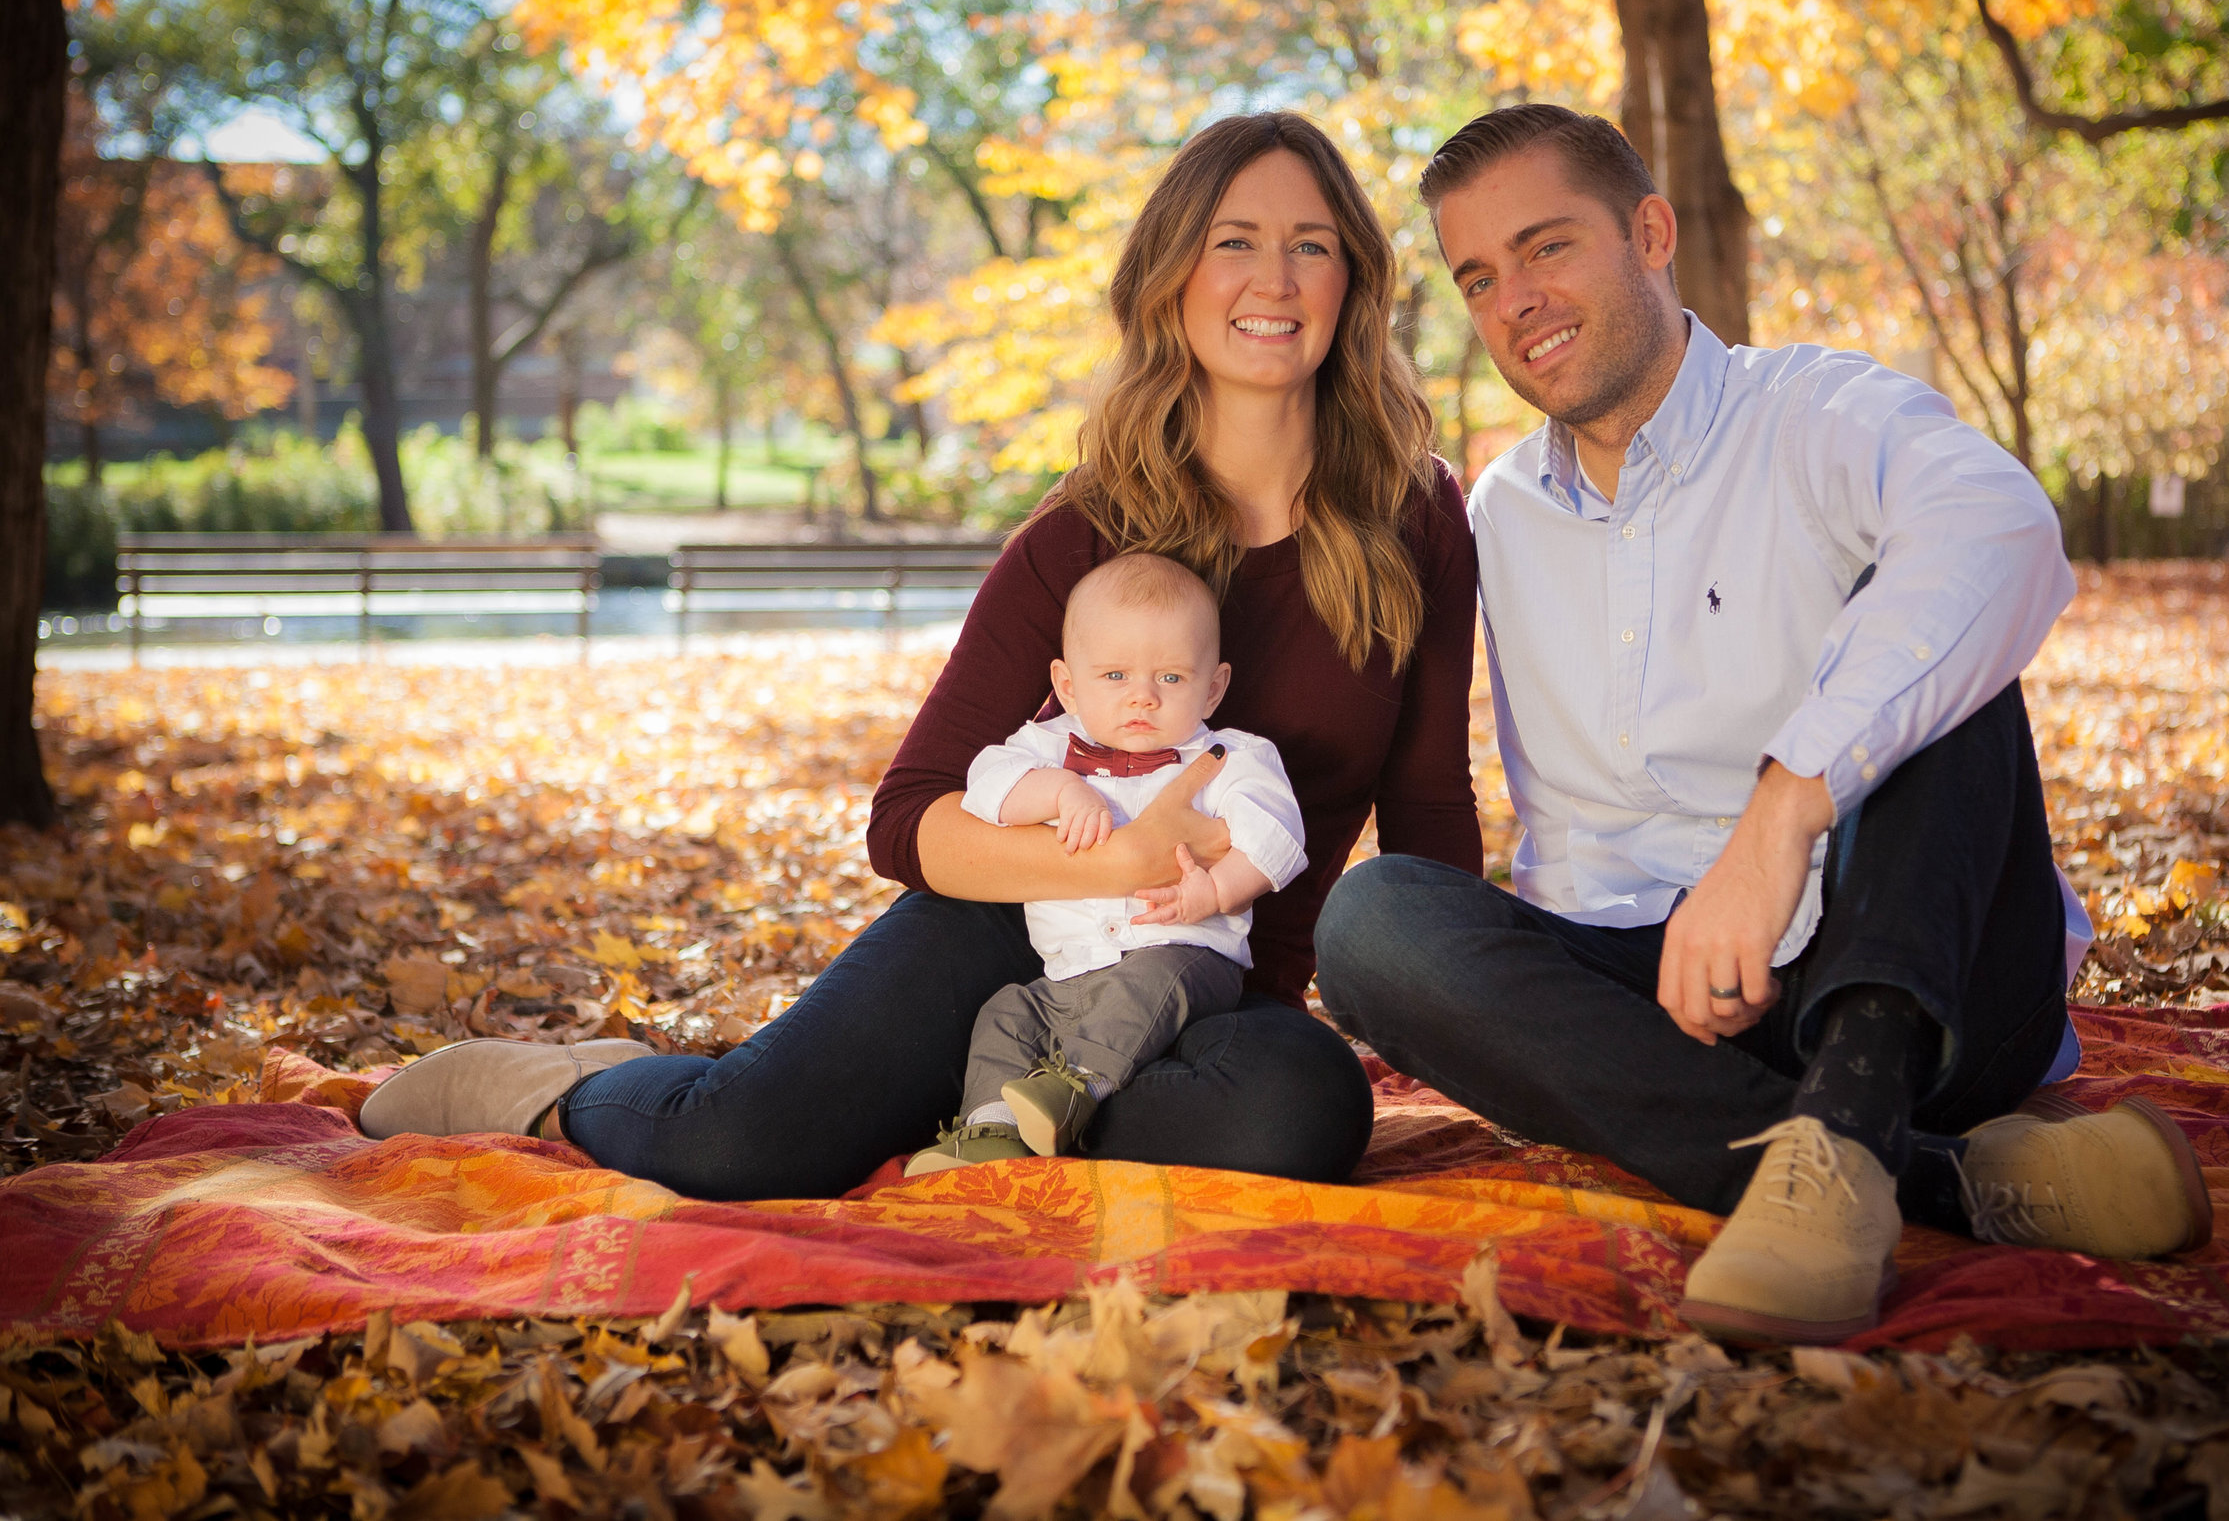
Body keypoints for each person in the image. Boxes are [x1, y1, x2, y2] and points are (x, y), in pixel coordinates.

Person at [359, 112, 1480, 1199]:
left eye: (1311, 245)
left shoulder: (1413, 513)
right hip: (1004, 939)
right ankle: (569, 1085)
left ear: (1354, 282)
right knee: (745, 1145)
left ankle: (983, 1109)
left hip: (1209, 983)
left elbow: (1428, 805)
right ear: (1171, 277)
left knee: (1301, 1109)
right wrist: (1116, 863)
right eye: (1232, 241)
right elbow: (908, 815)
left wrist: (1464, 1017)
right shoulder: (1081, 534)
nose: (1273, 279)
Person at [1315, 104, 2210, 1345]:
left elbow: (2003, 529)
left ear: (1650, 231)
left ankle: (1855, 1116)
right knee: (1372, 921)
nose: (1515, 298)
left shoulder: (1815, 412)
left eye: (1547, 246)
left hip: (1917, 979)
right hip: (1656, 995)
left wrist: (1784, 808)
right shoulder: (1501, 513)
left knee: (1936, 671)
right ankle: (1930, 1180)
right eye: (1479, 276)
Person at [905, 551, 1306, 1173]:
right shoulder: (1047, 748)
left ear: (1214, 686)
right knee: (1007, 1012)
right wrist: (1061, 790)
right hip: (1069, 972)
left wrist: (1215, 893)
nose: (1142, 698)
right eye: (1115, 676)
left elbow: (1273, 838)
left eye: (1170, 679)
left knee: (1151, 986)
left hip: (1181, 953)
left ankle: (1077, 1087)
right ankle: (991, 1129)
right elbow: (987, 785)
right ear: (1067, 685)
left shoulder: (1231, 758)